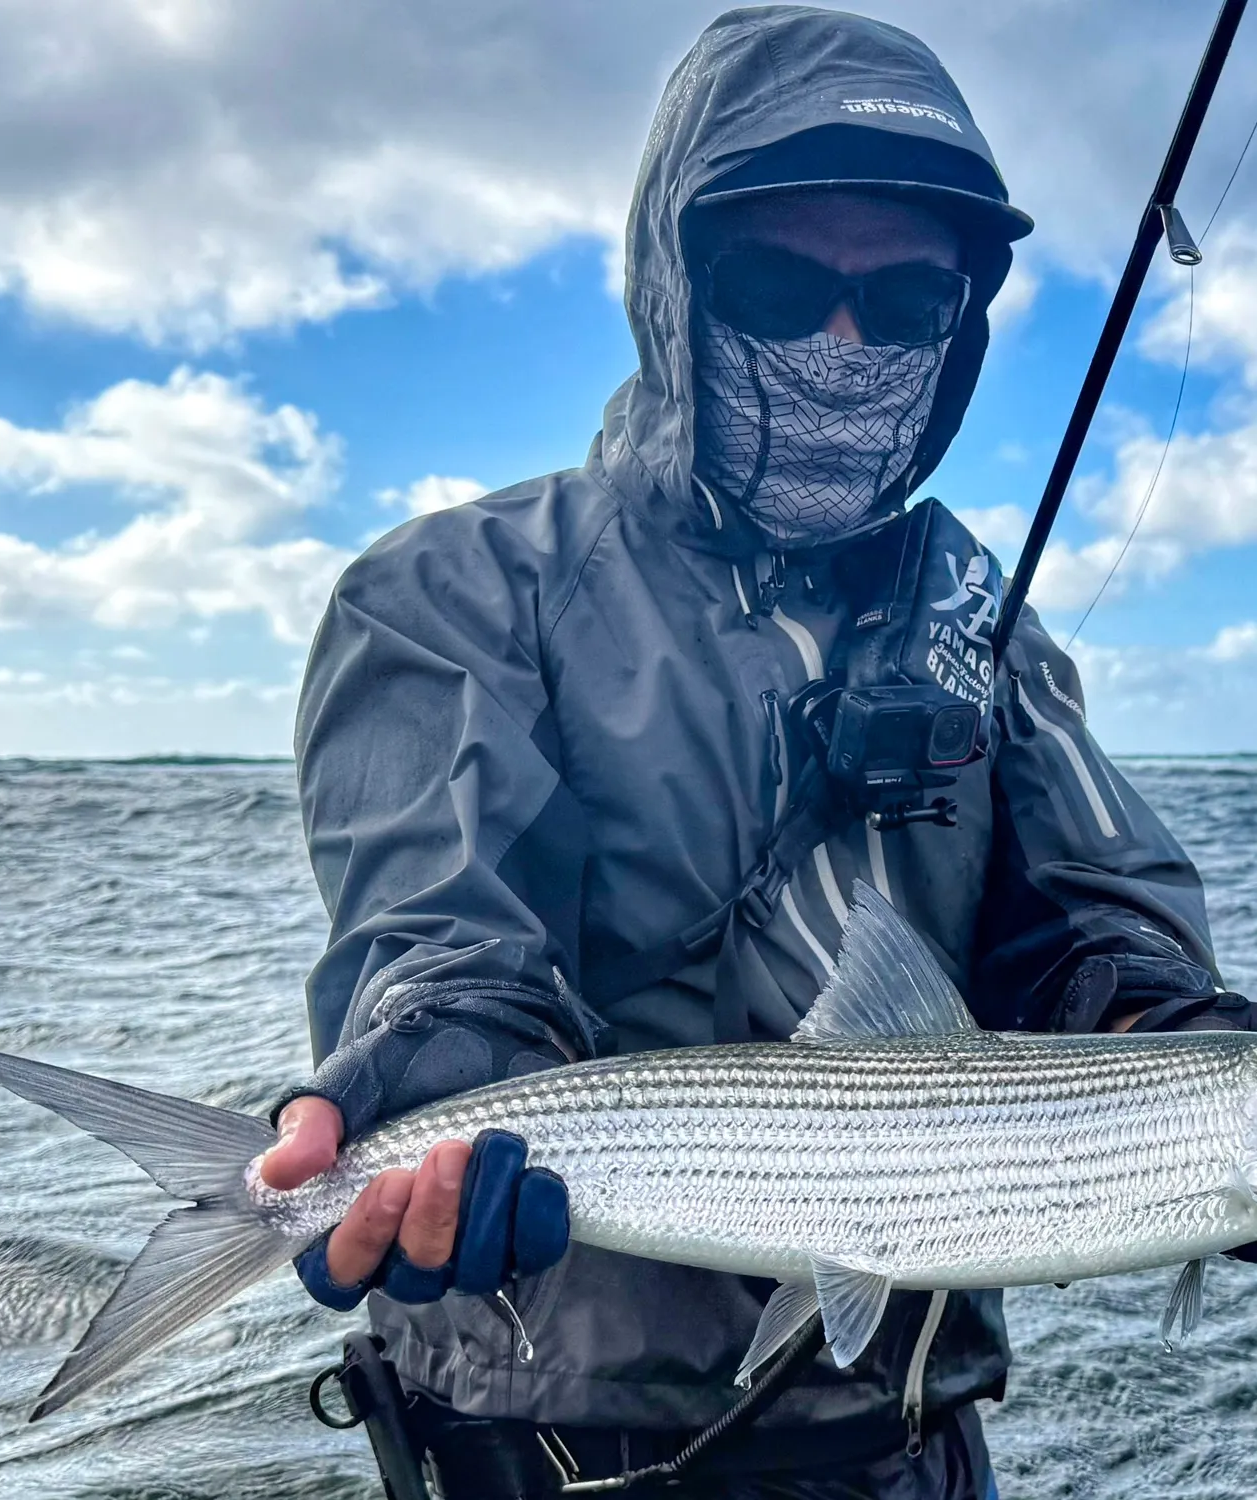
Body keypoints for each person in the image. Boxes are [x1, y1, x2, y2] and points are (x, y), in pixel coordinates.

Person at [260, 7, 1253, 1496]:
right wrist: (433, 1066)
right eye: (779, 285)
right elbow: (441, 933)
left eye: (908, 302)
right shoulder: (452, 593)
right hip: (545, 1455)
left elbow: (1093, 938)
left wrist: (1168, 1057)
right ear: (675, 289)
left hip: (912, 1448)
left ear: (964, 328)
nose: (844, 348)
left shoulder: (979, 613)